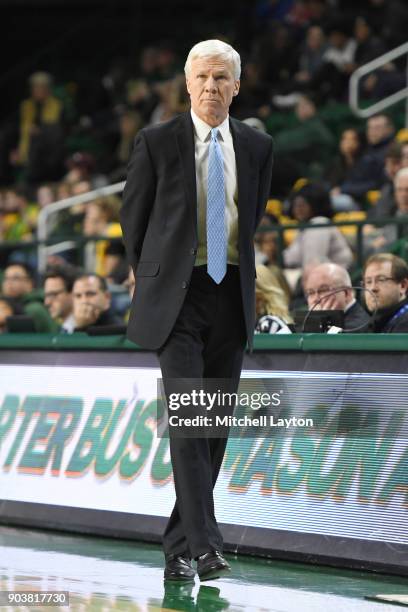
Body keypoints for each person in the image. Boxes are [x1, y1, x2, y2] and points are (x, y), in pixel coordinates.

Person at [120, 39, 273, 582]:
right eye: (203, 77)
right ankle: (207, 546)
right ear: (187, 84)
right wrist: (157, 278)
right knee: (191, 422)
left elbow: (249, 219)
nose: (211, 87)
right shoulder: (156, 141)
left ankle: (175, 546)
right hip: (177, 301)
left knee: (214, 431)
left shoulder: (257, 146)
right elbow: (133, 224)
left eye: (221, 78)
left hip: (230, 294)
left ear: (237, 85)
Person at [283, 183, 353, 270]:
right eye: (296, 204)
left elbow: (313, 265)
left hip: (334, 278)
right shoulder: (304, 227)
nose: (298, 209)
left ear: (316, 204)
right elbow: (291, 259)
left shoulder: (319, 223)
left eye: (303, 204)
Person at [304, 262, 370, 332]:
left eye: (323, 290)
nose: (315, 299)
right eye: (310, 293)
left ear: (346, 293)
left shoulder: (357, 326)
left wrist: (320, 323)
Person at [1, 262, 57, 332]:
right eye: (6, 278)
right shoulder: (4, 305)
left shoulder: (35, 309)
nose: (9, 282)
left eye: (15, 278)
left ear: (29, 283)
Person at [363, 253, 408, 332]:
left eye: (381, 280)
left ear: (403, 286)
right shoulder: (377, 323)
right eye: (368, 281)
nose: (373, 288)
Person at [43, 268, 75, 333]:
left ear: (72, 294)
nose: (47, 302)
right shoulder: (61, 328)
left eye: (53, 294)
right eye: (46, 295)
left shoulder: (84, 330)